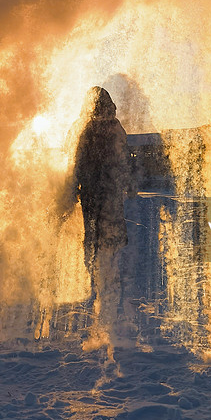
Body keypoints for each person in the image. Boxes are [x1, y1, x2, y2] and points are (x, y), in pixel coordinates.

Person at [68, 87, 136, 298]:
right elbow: (124, 159)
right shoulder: (115, 128)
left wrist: (73, 188)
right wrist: (129, 183)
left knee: (93, 234)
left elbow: (77, 161)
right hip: (109, 190)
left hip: (93, 191)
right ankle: (106, 276)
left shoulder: (86, 128)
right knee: (110, 234)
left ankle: (96, 277)